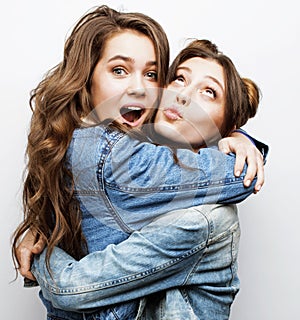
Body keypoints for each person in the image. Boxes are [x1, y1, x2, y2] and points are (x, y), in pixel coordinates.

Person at [12, 5, 268, 320]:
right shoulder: (115, 155)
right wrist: (43, 226)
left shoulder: (206, 218)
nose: (182, 97)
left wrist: (42, 255)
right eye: (177, 79)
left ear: (222, 126)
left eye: (209, 93)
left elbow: (70, 288)